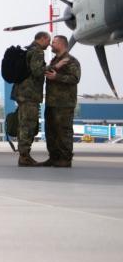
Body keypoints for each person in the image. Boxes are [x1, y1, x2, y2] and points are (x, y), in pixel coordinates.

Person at [11, 31, 50, 167]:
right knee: (29, 125)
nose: (49, 44)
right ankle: (24, 156)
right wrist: (51, 67)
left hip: (21, 93)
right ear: (43, 38)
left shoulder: (27, 49)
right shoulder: (38, 52)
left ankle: (24, 154)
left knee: (23, 124)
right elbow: (37, 71)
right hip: (30, 95)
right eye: (48, 40)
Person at [42, 35, 81, 167]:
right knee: (50, 131)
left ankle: (65, 158)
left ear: (62, 44)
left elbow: (75, 78)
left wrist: (57, 76)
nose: (51, 44)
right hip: (51, 102)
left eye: (54, 42)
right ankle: (53, 157)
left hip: (64, 103)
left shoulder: (71, 61)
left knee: (63, 131)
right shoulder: (54, 61)